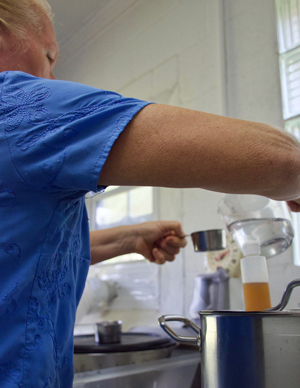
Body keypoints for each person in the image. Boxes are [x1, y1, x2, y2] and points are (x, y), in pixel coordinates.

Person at [1, 1, 300, 387]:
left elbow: (20, 259)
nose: (53, 75)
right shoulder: (15, 106)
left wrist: (128, 237)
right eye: (49, 55)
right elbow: (282, 160)